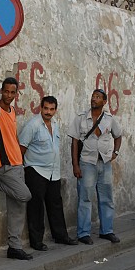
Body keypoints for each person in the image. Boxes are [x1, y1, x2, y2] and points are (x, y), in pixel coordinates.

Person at [19, 96, 78, 250]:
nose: (48, 112)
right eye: (46, 108)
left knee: (56, 203)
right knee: (36, 206)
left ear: (55, 110)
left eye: (52, 109)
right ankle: (36, 241)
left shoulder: (55, 124)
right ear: (41, 107)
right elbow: (21, 148)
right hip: (36, 170)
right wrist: (22, 170)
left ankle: (61, 236)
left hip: (53, 171)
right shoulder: (33, 125)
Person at [68, 89, 122, 245]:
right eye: (93, 96)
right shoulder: (81, 118)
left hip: (104, 163)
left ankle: (107, 231)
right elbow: (74, 143)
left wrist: (115, 153)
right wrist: (75, 165)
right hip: (86, 163)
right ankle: (83, 233)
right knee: (85, 198)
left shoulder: (110, 119)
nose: (94, 99)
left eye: (98, 97)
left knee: (106, 198)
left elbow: (118, 136)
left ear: (104, 102)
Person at [0, 77, 33, 260]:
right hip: (5, 166)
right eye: (5, 91)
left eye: (12, 92)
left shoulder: (13, 110)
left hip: (17, 163)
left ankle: (14, 247)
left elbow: (12, 136)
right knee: (25, 195)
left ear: (16, 93)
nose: (8, 95)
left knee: (17, 208)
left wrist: (21, 159)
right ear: (1, 91)